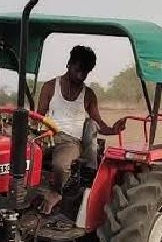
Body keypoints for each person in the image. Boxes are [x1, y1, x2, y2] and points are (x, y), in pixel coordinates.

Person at [36, 45, 126, 214]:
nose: (81, 76)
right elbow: (38, 115)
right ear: (69, 64)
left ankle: (56, 193)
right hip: (46, 137)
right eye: (78, 70)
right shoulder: (49, 87)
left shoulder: (89, 95)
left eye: (85, 72)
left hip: (70, 142)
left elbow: (99, 123)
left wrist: (114, 129)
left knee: (60, 165)